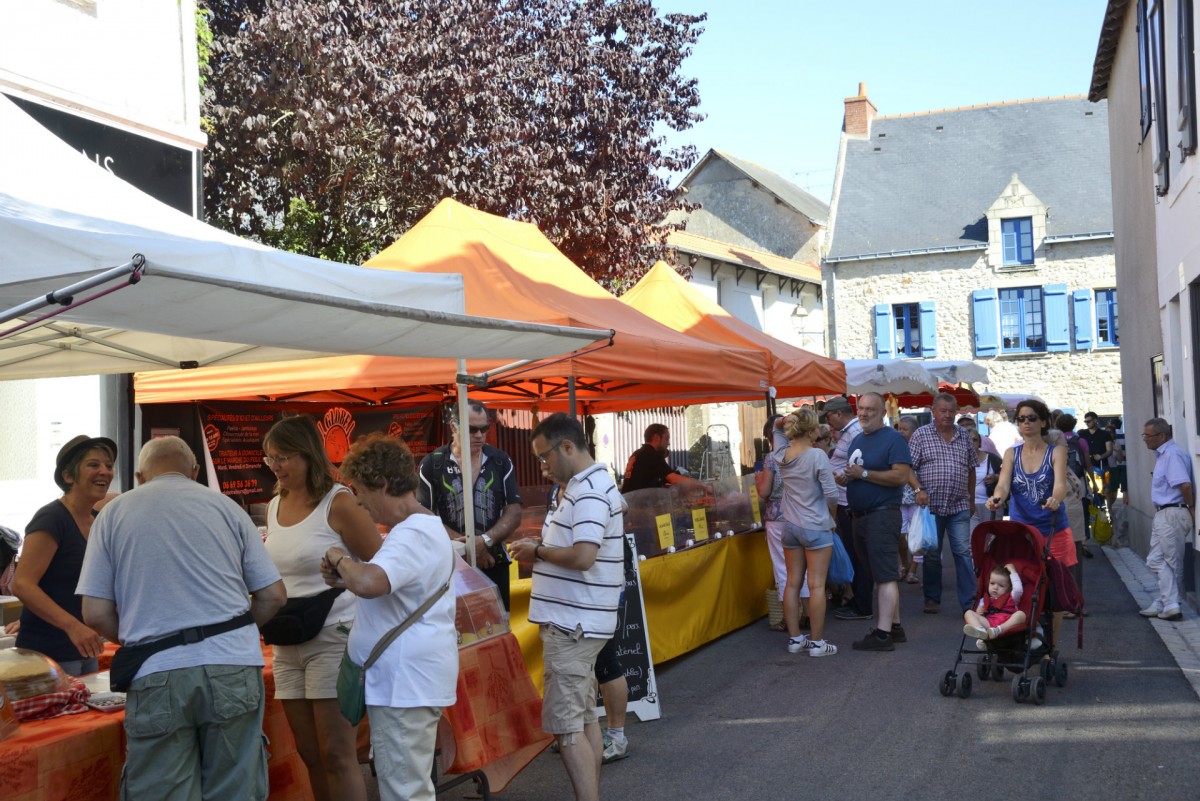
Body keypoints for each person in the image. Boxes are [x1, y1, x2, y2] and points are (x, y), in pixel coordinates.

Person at [78, 436, 286, 801]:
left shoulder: (112, 513)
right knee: (236, 789)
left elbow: (94, 612)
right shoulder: (227, 508)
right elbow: (273, 596)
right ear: (193, 471)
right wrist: (232, 632)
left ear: (140, 476)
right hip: (233, 664)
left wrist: (142, 640)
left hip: (156, 671)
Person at [320, 433, 457, 801]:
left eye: (360, 490)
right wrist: (349, 572)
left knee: (405, 791)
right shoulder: (417, 530)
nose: (359, 501)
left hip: (403, 685)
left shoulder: (412, 533)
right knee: (406, 785)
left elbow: (369, 583)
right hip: (405, 683)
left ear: (381, 484)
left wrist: (339, 558)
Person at [262, 416, 382, 801]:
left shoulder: (338, 501)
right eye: (269, 459)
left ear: (308, 455)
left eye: (283, 457)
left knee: (336, 752)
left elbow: (380, 566)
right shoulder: (274, 505)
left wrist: (343, 571)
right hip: (286, 641)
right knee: (309, 752)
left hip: (333, 634)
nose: (276, 466)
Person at [509, 413, 623, 801]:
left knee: (567, 725)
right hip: (578, 622)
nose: (543, 467)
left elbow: (584, 555)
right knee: (584, 718)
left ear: (568, 447)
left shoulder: (589, 490)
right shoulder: (585, 486)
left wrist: (537, 550)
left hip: (573, 624)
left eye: (544, 458)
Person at [12, 435, 116, 676]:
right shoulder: (52, 518)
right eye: (93, 465)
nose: (104, 472)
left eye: (108, 466)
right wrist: (74, 627)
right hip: (47, 655)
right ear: (68, 476)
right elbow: (23, 584)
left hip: (86, 649)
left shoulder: (99, 521)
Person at [985, 399, 1076, 640]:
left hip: (1052, 530)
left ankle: (1051, 647)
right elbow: (1003, 485)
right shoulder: (1011, 453)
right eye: (1021, 419)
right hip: (1022, 532)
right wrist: (996, 498)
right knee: (1022, 583)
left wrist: (1055, 499)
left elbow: (1059, 486)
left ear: (1044, 421)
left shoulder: (1056, 451)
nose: (1026, 422)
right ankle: (1019, 634)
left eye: (1032, 418)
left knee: (1054, 589)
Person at [418, 400, 522, 611]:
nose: (479, 435)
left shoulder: (500, 461)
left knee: (498, 626)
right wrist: (467, 547)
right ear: (454, 427)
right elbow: (423, 516)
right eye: (472, 429)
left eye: (484, 428)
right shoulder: (432, 463)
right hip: (450, 565)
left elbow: (514, 510)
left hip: (493, 561)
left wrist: (484, 541)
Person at [840, 393, 913, 652]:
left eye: (870, 409)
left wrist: (864, 474)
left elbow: (901, 476)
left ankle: (882, 635)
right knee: (880, 573)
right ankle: (894, 627)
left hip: (881, 515)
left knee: (884, 575)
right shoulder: (858, 439)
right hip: (861, 516)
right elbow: (860, 472)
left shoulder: (893, 439)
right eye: (860, 408)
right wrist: (849, 478)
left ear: (883, 412)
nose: (863, 413)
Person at [771, 409, 839, 657]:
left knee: (792, 583)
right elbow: (832, 494)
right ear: (811, 432)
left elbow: (775, 428)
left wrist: (783, 420)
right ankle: (818, 644)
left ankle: (795, 639)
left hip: (790, 525)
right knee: (817, 585)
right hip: (815, 525)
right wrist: (832, 516)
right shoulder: (817, 455)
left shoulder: (781, 453)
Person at [908, 392, 977, 614]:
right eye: (943, 411)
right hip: (931, 507)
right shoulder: (921, 435)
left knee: (963, 552)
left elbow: (971, 468)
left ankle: (970, 602)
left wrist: (972, 498)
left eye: (951, 411)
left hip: (959, 505)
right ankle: (932, 598)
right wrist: (918, 489)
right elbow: (908, 468)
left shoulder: (964, 436)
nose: (947, 415)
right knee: (931, 554)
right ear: (933, 411)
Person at [1138, 418, 1194, 621]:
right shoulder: (1164, 455)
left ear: (1162, 436)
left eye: (1148, 436)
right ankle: (1164, 601)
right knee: (1155, 560)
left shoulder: (1171, 454)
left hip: (1172, 512)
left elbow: (1185, 485)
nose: (1144, 439)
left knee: (1171, 562)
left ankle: (1171, 604)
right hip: (1165, 513)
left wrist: (1191, 506)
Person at [825, 396, 873, 622]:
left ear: (837, 414)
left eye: (828, 416)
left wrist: (842, 477)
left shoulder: (854, 433)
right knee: (855, 555)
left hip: (848, 501)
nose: (827, 422)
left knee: (857, 556)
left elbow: (860, 465)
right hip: (845, 499)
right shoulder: (848, 432)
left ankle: (862, 604)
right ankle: (858, 600)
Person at [621, 423, 710, 494]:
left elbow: (665, 479)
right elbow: (674, 479)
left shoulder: (639, 453)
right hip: (639, 507)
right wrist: (703, 486)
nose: (668, 443)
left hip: (630, 504)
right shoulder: (651, 454)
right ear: (656, 437)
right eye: (666, 439)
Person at [962, 563, 1027, 640]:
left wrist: (1012, 571)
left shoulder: (1012, 597)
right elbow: (980, 615)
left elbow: (1018, 589)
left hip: (1006, 623)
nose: (995, 587)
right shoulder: (984, 600)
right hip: (989, 624)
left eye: (1001, 586)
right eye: (992, 583)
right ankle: (980, 630)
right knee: (968, 612)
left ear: (1009, 588)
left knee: (1021, 614)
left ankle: (999, 629)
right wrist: (979, 612)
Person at [895, 416, 923, 584]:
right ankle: (903, 563)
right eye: (899, 429)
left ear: (914, 431)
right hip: (899, 498)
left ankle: (912, 569)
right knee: (900, 534)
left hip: (915, 498)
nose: (901, 432)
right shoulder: (895, 446)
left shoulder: (919, 447)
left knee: (917, 536)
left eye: (904, 429)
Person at [968, 429, 1002, 539]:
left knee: (991, 539)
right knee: (972, 540)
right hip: (970, 506)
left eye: (974, 440)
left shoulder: (992, 459)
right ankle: (975, 557)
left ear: (979, 443)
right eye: (968, 440)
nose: (971, 443)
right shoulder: (961, 459)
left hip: (990, 505)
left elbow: (1007, 477)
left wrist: (996, 477)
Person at [1079, 411, 1114, 496]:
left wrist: (1101, 456)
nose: (1087, 423)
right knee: (1090, 488)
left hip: (1103, 465)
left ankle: (1108, 508)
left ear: (1095, 420)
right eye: (1085, 422)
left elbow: (1109, 450)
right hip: (1087, 465)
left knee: (1106, 488)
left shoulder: (1105, 434)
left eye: (1089, 421)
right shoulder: (1082, 434)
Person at [1106, 417, 1127, 508]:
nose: (1109, 434)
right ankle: (1108, 511)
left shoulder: (1116, 444)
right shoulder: (1102, 443)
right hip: (1106, 469)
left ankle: (1109, 508)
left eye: (1111, 432)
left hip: (1115, 469)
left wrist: (1118, 451)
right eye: (1107, 432)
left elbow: (1120, 459)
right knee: (1107, 491)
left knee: (1114, 494)